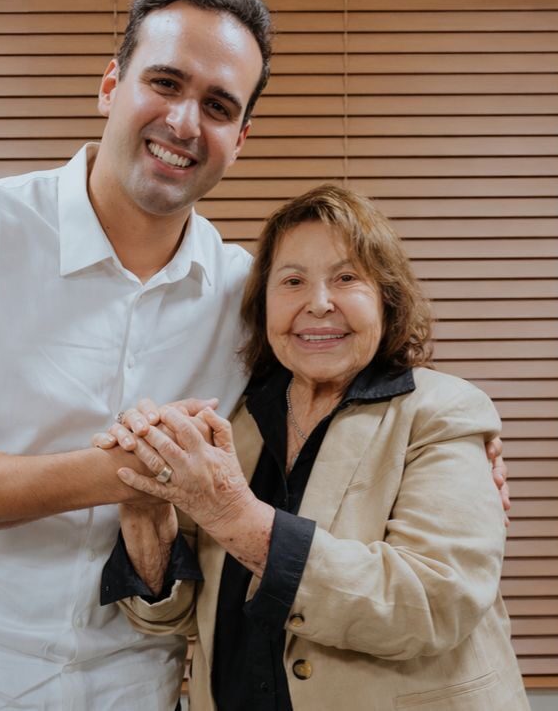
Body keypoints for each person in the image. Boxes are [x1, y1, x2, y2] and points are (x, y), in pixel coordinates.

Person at [0, 0, 508, 710]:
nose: (182, 121)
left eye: (217, 105)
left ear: (240, 136)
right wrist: (132, 473)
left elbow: (346, 390)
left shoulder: (249, 296)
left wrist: (462, 460)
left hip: (139, 687)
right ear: (111, 84)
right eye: (164, 83)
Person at [100, 185, 529, 710]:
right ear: (265, 307)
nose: (319, 303)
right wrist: (145, 507)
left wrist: (232, 514)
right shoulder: (237, 422)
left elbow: (431, 604)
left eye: (346, 278)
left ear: (387, 299)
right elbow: (170, 614)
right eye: (293, 281)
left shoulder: (444, 411)